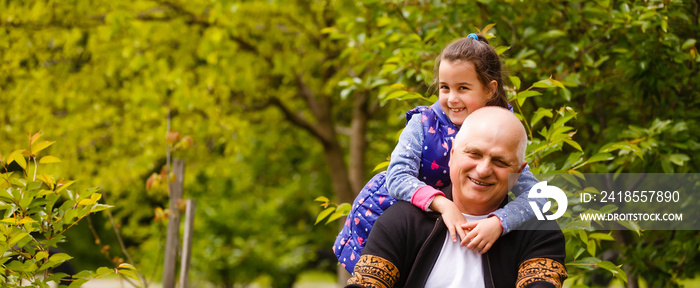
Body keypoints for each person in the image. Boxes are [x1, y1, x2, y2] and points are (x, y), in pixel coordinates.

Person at [333, 33, 544, 273]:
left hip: (444, 232)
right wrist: (445, 205)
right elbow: (397, 176)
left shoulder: (503, 132)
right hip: (389, 215)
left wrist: (499, 222)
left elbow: (539, 196)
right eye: (445, 87)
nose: (452, 98)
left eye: (463, 88)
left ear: (489, 90)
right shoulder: (424, 123)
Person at [346, 107, 567, 287]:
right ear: (452, 156)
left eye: (500, 161)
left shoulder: (538, 231)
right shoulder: (402, 220)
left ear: (518, 173)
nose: (483, 170)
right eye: (474, 154)